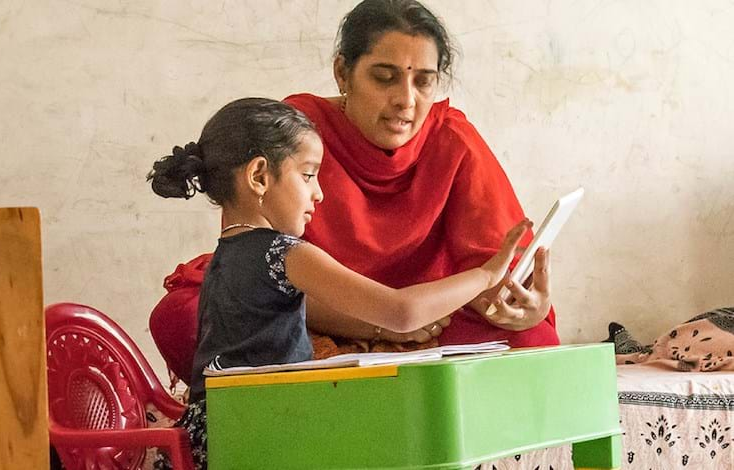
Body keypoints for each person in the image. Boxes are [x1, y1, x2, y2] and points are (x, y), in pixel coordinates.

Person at [147, 97, 530, 469]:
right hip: (261, 436)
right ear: (260, 176)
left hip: (212, 435)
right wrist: (486, 275)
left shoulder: (223, 256)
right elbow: (401, 311)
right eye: (309, 175)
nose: (319, 192)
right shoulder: (284, 254)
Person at [283, 0, 558, 348]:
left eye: (424, 82)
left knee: (533, 339)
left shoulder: (452, 140)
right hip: (320, 317)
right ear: (342, 73)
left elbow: (494, 275)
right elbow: (262, 276)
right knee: (200, 313)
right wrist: (381, 325)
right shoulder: (297, 132)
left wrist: (526, 306)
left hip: (432, 320)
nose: (406, 100)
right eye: (385, 78)